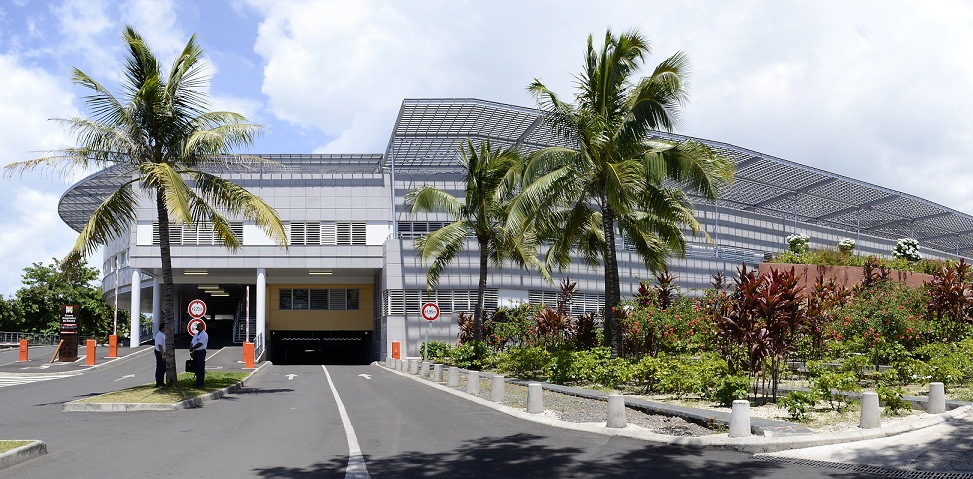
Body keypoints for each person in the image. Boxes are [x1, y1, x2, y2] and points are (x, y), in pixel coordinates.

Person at [189, 321, 208, 386]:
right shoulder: (196, 335)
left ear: (202, 327)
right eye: (197, 327)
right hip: (195, 352)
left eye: (199, 327)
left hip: (201, 352)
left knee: (200, 367)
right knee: (196, 367)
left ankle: (201, 382)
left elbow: (200, 343)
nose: (197, 328)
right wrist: (191, 350)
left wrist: (193, 348)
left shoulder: (204, 334)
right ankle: (197, 381)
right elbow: (192, 342)